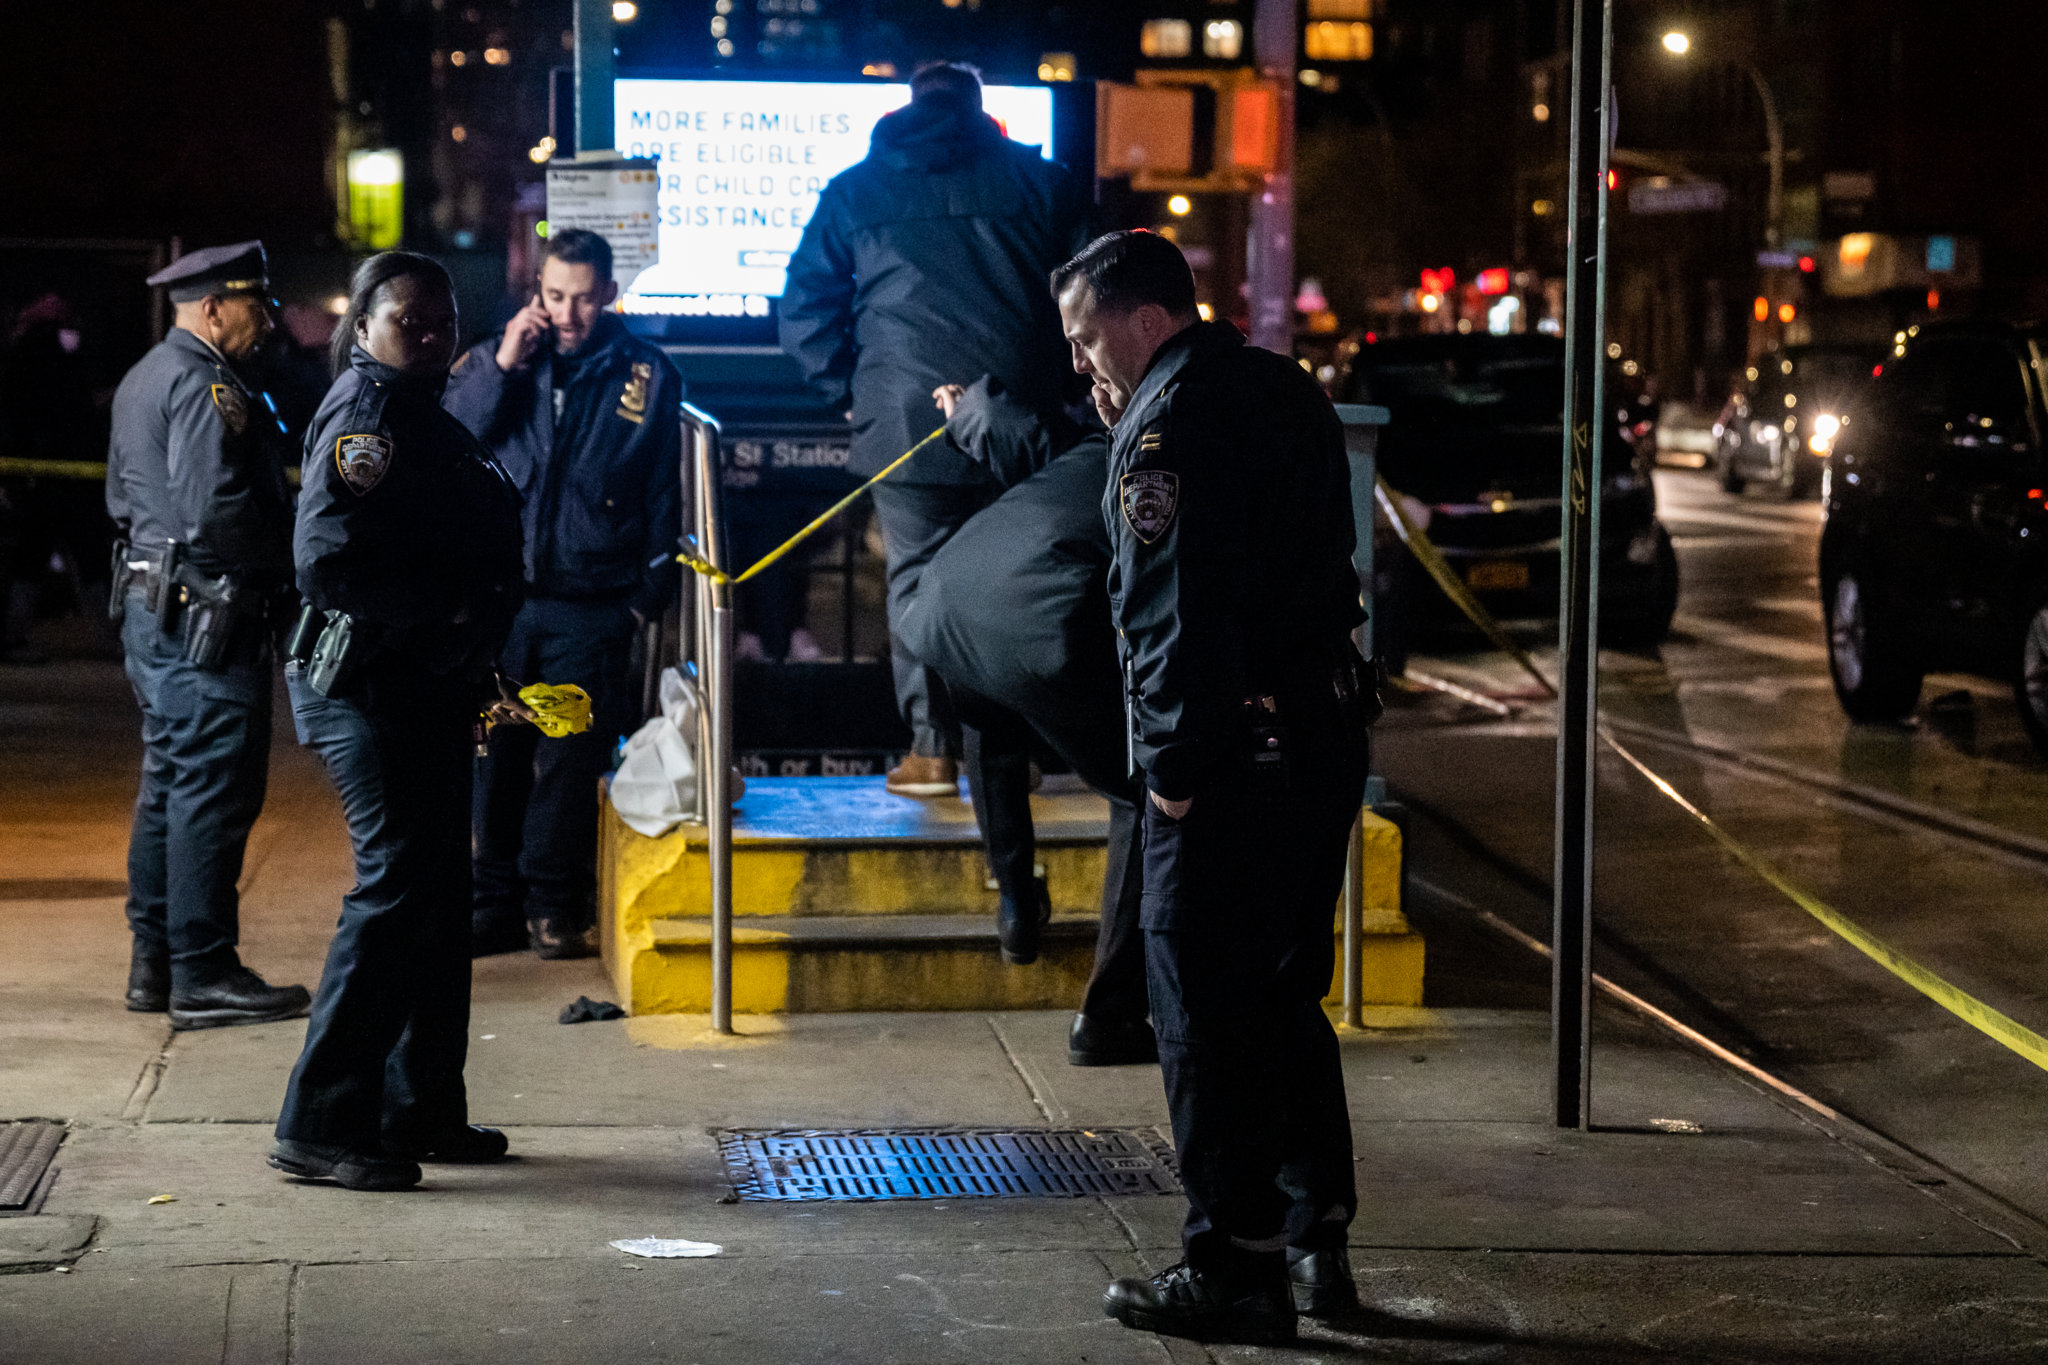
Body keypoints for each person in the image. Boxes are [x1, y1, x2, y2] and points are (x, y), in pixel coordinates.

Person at [1056, 232, 1377, 1345]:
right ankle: (1312, 1235)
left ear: (1140, 319)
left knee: (1197, 1005)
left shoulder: (1164, 424)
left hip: (1232, 757)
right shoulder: (1276, 386)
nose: (1080, 364)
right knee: (1285, 994)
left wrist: (1173, 773)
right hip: (1323, 732)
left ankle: (1229, 1265)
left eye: (1085, 338)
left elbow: (1166, 613)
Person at [270, 252, 526, 1192]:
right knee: (395, 892)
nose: (429, 335)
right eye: (407, 321)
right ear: (363, 326)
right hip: (370, 686)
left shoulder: (420, 411)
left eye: (442, 321)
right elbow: (327, 563)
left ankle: (421, 1105)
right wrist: (445, 614)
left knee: (436, 893)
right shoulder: (369, 414)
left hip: (424, 684)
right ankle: (321, 1120)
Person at [779, 60, 1092, 798]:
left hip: (906, 426)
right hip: (1017, 422)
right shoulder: (1043, 183)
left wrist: (850, 394)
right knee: (1022, 586)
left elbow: (802, 308)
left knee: (915, 583)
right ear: (981, 109)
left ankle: (932, 751)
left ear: (912, 106)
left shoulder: (857, 189)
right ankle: (1022, 746)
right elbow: (1095, 290)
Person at [898, 377, 1152, 1066]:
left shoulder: (1083, 443)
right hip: (1033, 619)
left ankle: (1016, 906)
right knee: (1145, 790)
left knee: (990, 726)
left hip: (947, 600)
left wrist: (962, 411)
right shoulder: (1162, 464)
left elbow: (1004, 422)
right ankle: (1110, 1015)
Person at [444, 228, 682, 959]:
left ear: (610, 294)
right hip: (504, 604)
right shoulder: (503, 359)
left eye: (583, 297)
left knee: (570, 761)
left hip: (594, 603)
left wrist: (647, 596)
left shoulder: (644, 372)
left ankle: (553, 904)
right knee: (497, 759)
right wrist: (506, 361)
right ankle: (492, 904)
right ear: (535, 293)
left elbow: (663, 491)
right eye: (555, 296)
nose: (569, 312)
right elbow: (455, 439)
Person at [104, 242, 310, 1029]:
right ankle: (203, 969)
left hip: (156, 610)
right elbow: (216, 512)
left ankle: (154, 961)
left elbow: (127, 501)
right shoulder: (206, 384)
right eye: (256, 305)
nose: (267, 321)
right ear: (214, 307)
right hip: (204, 618)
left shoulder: (145, 375)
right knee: (212, 789)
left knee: (171, 782)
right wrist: (289, 568)